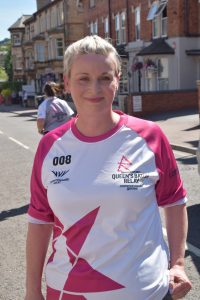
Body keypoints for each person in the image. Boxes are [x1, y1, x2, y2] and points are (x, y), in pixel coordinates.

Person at [25, 35, 192, 300]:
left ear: (117, 79)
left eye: (105, 77)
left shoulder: (150, 136)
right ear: (66, 83)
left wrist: (178, 263)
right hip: (69, 291)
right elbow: (39, 221)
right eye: (83, 78)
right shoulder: (50, 146)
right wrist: (32, 290)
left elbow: (175, 202)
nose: (95, 88)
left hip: (146, 292)